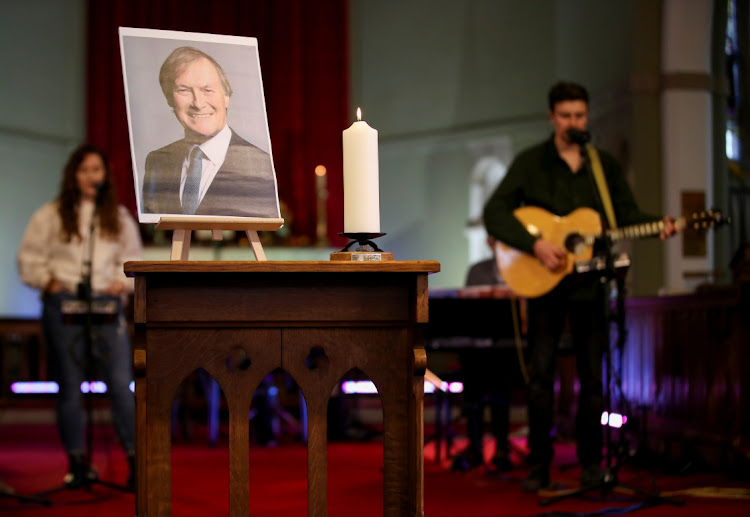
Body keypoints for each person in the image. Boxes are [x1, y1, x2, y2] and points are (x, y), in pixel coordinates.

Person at [483, 81, 678, 492]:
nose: (574, 123)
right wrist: (535, 243)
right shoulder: (532, 163)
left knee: (594, 379)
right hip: (545, 285)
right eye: (567, 115)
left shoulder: (602, 167)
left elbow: (625, 214)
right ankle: (538, 466)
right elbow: (495, 212)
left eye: (581, 116)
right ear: (553, 117)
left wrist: (660, 224)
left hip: (591, 286)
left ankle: (592, 464)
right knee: (541, 378)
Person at [17, 144, 143, 489]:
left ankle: (135, 460)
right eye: (84, 170)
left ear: (106, 176)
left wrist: (120, 284)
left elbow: (132, 258)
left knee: (120, 384)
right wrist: (49, 281)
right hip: (65, 303)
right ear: (74, 175)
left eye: (97, 170)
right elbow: (29, 259)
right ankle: (77, 462)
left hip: (105, 303)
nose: (91, 176)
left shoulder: (117, 217)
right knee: (70, 387)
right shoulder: (52, 214)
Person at [142, 46, 278, 218]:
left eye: (208, 90)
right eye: (184, 90)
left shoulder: (260, 165)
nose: (198, 103)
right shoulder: (157, 162)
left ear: (226, 96)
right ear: (169, 98)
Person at [451, 236, 515, 473]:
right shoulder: (477, 271)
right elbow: (468, 312)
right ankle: (475, 447)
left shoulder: (522, 271)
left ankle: (501, 448)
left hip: (507, 350)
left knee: (502, 381)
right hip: (477, 351)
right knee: (472, 379)